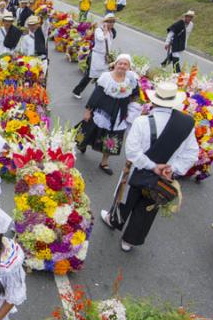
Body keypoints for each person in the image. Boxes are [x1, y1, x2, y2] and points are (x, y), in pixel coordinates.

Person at [101, 82, 199, 251]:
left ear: (154, 101)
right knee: (148, 206)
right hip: (163, 178)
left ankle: (114, 220)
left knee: (126, 198)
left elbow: (132, 152)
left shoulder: (141, 121)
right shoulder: (186, 124)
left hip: (137, 171)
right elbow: (191, 153)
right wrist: (171, 169)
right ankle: (129, 240)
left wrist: (152, 166)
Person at [81, 54, 141, 175]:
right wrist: (88, 110)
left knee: (113, 136)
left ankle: (104, 162)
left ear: (129, 67)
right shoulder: (106, 77)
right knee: (91, 130)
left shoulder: (131, 79)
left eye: (125, 64)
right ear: (115, 64)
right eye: (120, 63)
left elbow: (135, 95)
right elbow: (96, 95)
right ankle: (83, 144)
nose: (122, 66)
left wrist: (137, 107)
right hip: (103, 110)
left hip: (120, 113)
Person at [72, 13, 116, 99]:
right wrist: (105, 30)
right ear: (105, 22)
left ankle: (99, 95)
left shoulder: (111, 32)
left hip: (104, 57)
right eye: (109, 22)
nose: (111, 24)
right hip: (96, 56)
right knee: (90, 75)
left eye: (113, 22)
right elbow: (100, 38)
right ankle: (77, 91)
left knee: (103, 76)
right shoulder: (99, 30)